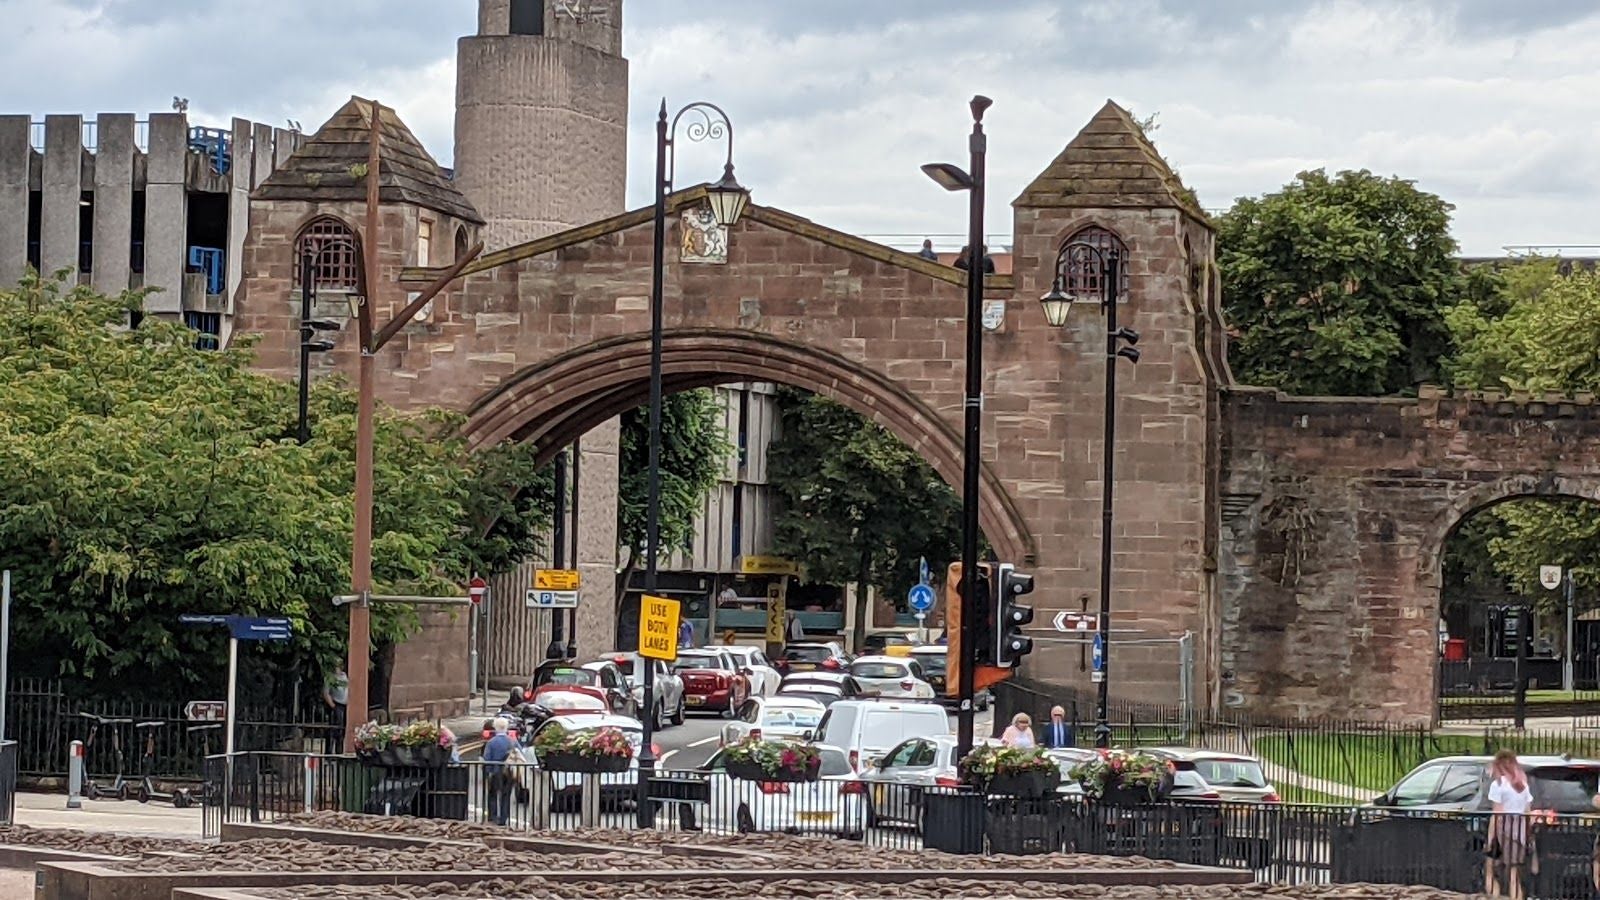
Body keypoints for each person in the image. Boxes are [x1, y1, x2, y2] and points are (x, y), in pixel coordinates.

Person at [1486, 748, 1533, 899]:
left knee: (1491, 870)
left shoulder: (1498, 785)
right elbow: (1528, 812)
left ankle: (1495, 896)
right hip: (1520, 834)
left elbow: (1497, 814)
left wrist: (1491, 838)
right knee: (1514, 873)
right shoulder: (1523, 786)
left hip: (1504, 832)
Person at [483, 717, 517, 826]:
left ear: (495, 728)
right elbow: (518, 754)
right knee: (506, 796)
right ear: (506, 728)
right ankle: (503, 819)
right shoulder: (511, 742)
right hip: (509, 772)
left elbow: (487, 757)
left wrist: (488, 772)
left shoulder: (492, 742)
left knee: (493, 794)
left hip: (495, 771)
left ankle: (493, 818)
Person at [321, 666, 348, 755]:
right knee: (333, 730)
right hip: (336, 705)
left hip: (345, 705)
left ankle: (339, 752)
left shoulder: (345, 676)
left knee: (342, 730)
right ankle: (329, 752)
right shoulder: (330, 678)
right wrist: (332, 705)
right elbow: (326, 693)